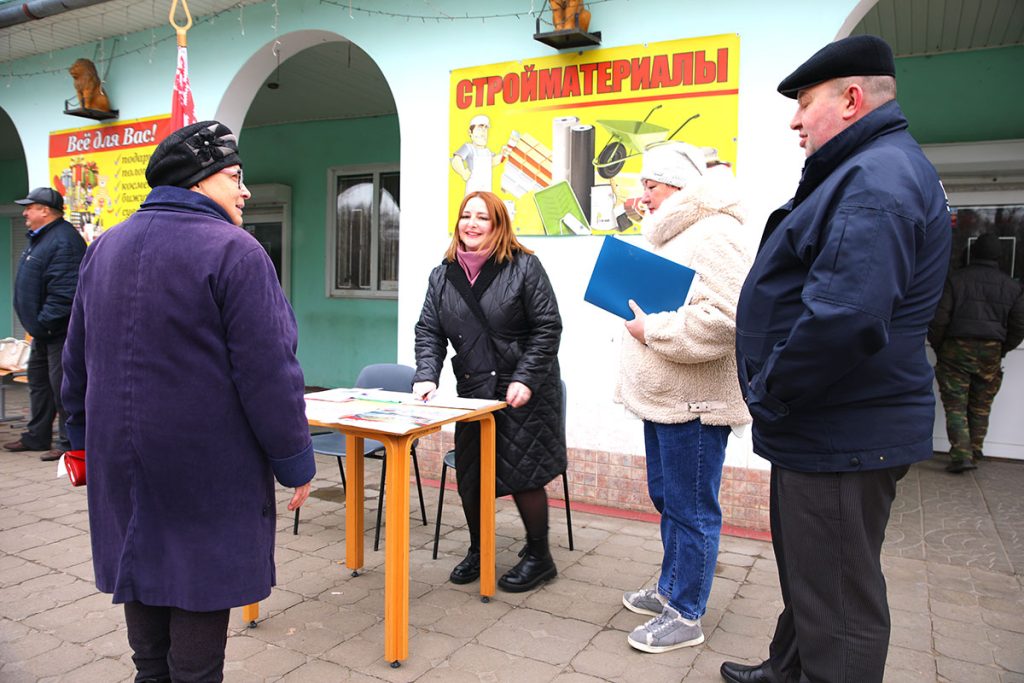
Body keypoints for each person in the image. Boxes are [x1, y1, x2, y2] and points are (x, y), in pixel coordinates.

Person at [725, 35, 951, 683]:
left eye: (804, 102)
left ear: (851, 99)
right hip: (826, 428)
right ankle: (786, 669)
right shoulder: (866, 169)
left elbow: (845, 318)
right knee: (814, 576)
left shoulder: (875, 178)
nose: (794, 120)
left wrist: (768, 391)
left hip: (840, 432)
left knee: (842, 606)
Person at [61, 121, 316, 682]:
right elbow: (270, 372)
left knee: (144, 580)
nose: (245, 191)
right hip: (206, 468)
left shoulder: (103, 247)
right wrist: (294, 458)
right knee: (199, 605)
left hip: (121, 462)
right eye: (235, 178)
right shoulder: (235, 250)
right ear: (200, 182)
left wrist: (78, 442)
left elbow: (75, 358)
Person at [615, 142, 752, 654]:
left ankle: (686, 613)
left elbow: (728, 319)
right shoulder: (679, 233)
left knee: (692, 508)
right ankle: (671, 586)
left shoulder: (717, 232)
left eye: (650, 185)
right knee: (669, 498)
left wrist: (654, 330)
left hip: (697, 403)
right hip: (666, 396)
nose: (642, 195)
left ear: (677, 185)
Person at [413, 190, 565, 593]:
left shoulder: (524, 267)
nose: (473, 224)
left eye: (483, 217)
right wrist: (426, 375)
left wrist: (526, 378)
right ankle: (481, 549)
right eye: (467, 216)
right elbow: (429, 330)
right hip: (474, 390)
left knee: (523, 472)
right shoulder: (443, 274)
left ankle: (539, 556)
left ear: (498, 226)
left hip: (522, 389)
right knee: (471, 473)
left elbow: (548, 328)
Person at [929, 233, 1024, 473]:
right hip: (991, 350)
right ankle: (975, 447)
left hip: (956, 348)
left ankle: (962, 454)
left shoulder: (955, 280)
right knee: (981, 403)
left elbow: (939, 319)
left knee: (955, 404)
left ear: (973, 253)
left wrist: (940, 346)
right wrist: (1002, 348)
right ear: (998, 257)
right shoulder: (1012, 286)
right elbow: (1019, 324)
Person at [4, 187, 85, 462]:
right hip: (42, 332)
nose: (25, 212)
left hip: (58, 332)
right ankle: (36, 436)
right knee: (39, 386)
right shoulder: (41, 238)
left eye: (30, 207)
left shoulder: (63, 241)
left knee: (63, 388)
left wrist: (44, 323)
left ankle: (68, 443)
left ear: (46, 211)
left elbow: (66, 292)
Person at [451, 115, 505, 195]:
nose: (483, 131)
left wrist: (504, 154)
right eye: (480, 127)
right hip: (472, 193)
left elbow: (492, 162)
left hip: (487, 193)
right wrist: (463, 172)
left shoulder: (487, 152)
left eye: (485, 128)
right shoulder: (468, 148)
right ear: (470, 132)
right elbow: (456, 160)